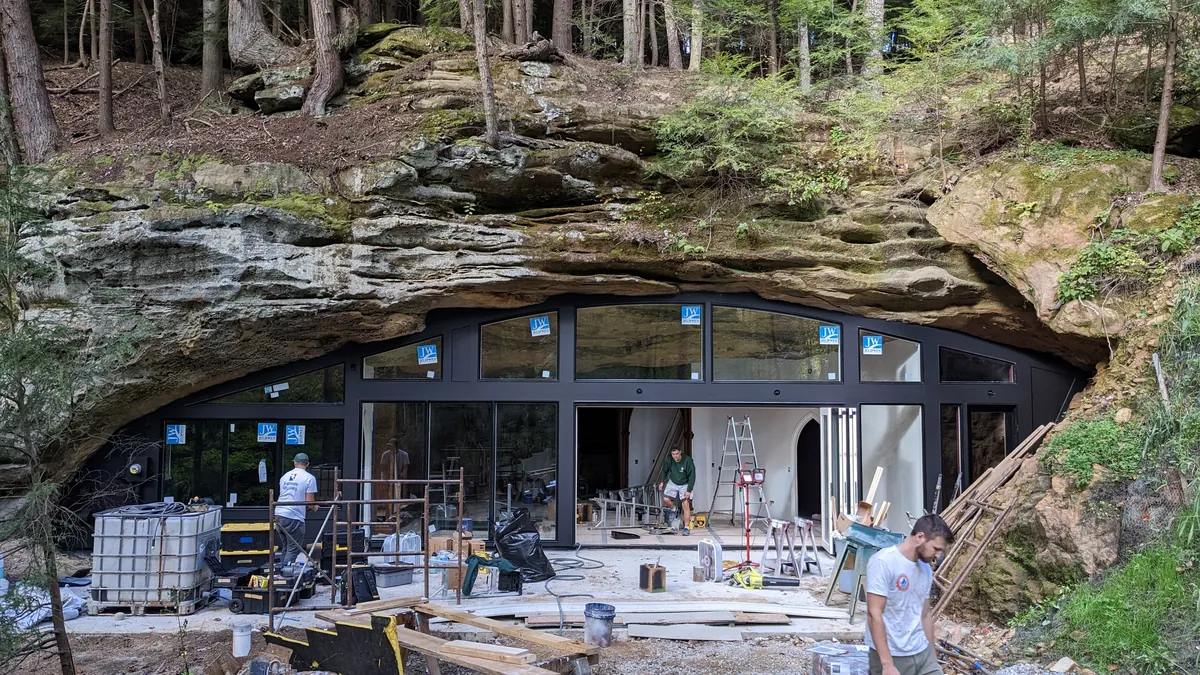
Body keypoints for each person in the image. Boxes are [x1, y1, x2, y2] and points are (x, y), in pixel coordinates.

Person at [864, 513, 955, 675]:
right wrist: (887, 665)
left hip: (921, 652)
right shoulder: (884, 562)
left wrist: (931, 654)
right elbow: (874, 614)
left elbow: (925, 614)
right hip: (892, 655)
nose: (938, 555)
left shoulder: (926, 568)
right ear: (920, 537)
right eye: (936, 549)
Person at [275, 453, 318, 567]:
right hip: (293, 516)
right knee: (293, 549)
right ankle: (285, 574)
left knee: (286, 547)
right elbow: (309, 502)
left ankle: (280, 573)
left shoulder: (285, 476)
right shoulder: (309, 478)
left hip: (279, 514)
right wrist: (315, 507)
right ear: (307, 464)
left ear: (294, 462)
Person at [657, 447, 696, 535]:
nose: (675, 456)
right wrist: (662, 481)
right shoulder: (669, 460)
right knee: (666, 499)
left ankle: (686, 527)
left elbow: (692, 476)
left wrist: (689, 490)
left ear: (680, 453)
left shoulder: (688, 460)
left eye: (677, 454)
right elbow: (664, 471)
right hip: (673, 482)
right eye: (673, 454)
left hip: (685, 483)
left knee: (685, 504)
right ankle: (674, 509)